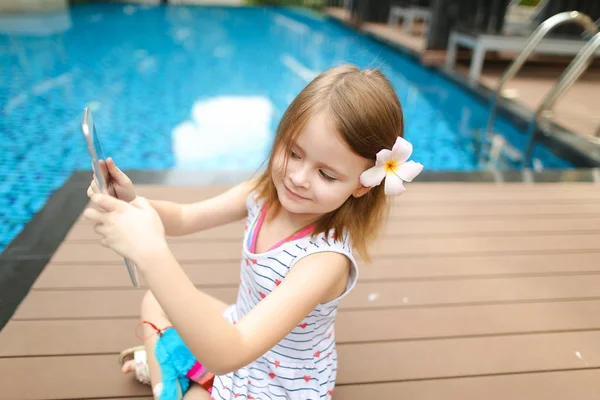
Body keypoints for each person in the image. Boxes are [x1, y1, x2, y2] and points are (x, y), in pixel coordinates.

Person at [85, 64, 423, 400]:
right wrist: (133, 203)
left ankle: (176, 377)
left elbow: (230, 354)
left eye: (326, 174)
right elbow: (186, 217)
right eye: (293, 153)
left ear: (362, 187)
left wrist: (149, 252)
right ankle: (171, 384)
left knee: (189, 353)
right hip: (241, 328)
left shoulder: (324, 261)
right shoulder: (263, 195)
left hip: (274, 381)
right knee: (156, 298)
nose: (298, 177)